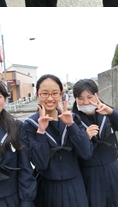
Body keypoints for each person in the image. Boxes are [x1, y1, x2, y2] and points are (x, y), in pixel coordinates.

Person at [24, 75, 92, 206]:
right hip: (46, 186)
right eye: (44, 93)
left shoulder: (73, 118)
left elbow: (86, 153)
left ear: (61, 94)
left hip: (74, 184)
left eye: (55, 93)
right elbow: (40, 164)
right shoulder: (30, 125)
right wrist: (41, 132)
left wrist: (71, 125)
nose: (50, 98)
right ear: (37, 95)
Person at [72, 79, 118, 207]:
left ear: (97, 95)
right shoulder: (72, 121)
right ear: (75, 99)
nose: (85, 102)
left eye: (89, 97)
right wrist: (84, 137)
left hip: (112, 170)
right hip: (87, 174)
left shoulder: (108, 114)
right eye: (80, 98)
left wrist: (112, 112)